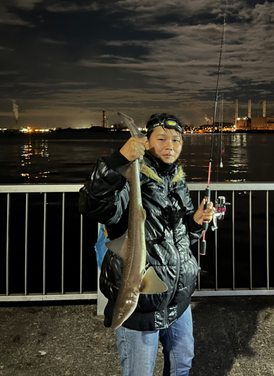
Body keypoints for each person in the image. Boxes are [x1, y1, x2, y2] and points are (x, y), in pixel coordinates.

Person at [79, 112, 214, 376]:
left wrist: (195, 222)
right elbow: (93, 206)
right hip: (142, 307)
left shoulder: (177, 182)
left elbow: (182, 240)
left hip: (178, 299)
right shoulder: (131, 177)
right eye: (161, 138)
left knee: (182, 365)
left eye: (176, 140)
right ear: (147, 142)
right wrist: (118, 160)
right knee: (140, 371)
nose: (170, 145)